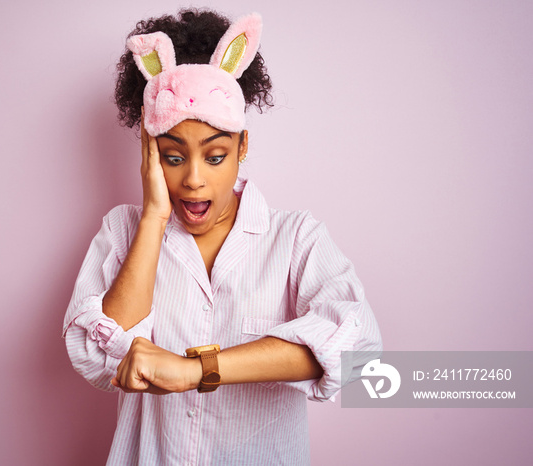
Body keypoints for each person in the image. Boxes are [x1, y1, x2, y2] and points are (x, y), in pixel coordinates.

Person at [63, 9, 382, 465]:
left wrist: (196, 371)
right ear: (149, 154)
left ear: (242, 147)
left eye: (215, 156)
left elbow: (356, 347)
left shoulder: (295, 238)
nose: (194, 180)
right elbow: (95, 357)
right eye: (173, 158)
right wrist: (154, 215)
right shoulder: (122, 231)